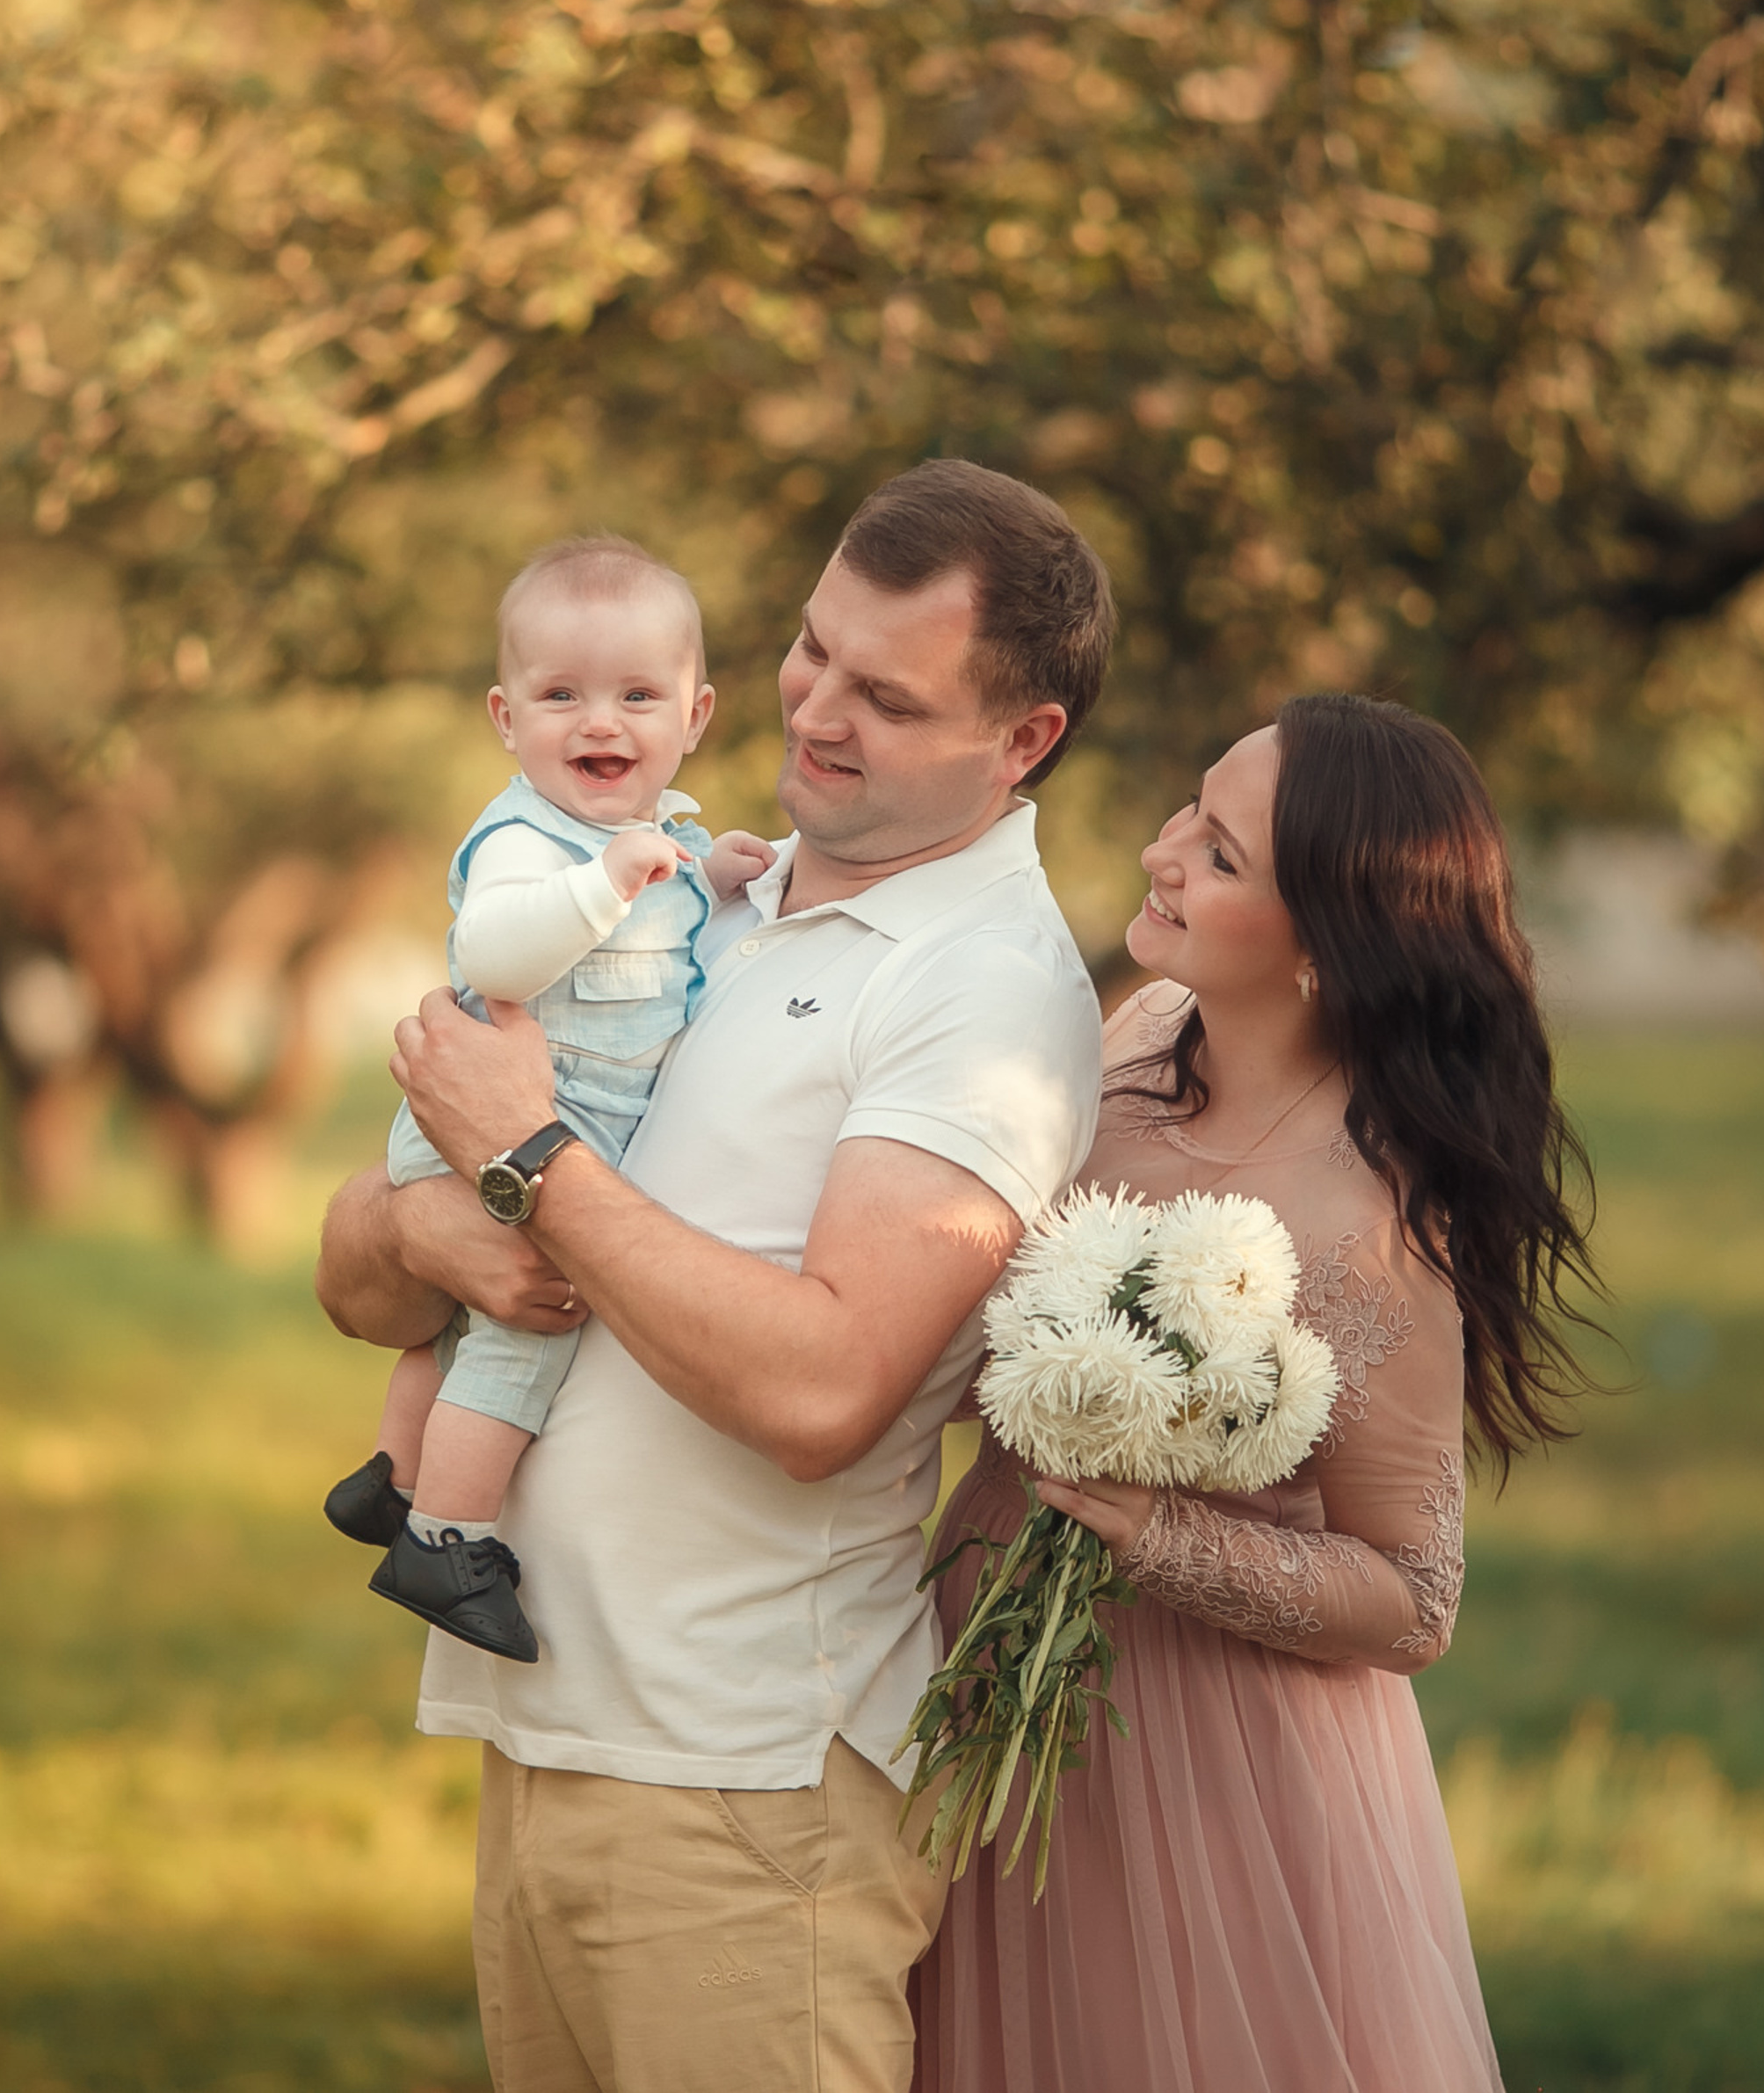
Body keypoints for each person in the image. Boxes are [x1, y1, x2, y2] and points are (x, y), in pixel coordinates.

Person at [315, 459, 1115, 2093]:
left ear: (1020, 740)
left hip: (746, 1792)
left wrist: (534, 1166)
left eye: (884, 696)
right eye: (812, 649)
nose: (815, 709)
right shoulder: (692, 882)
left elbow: (823, 1392)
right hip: (547, 1737)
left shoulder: (985, 995)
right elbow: (358, 1280)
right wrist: (424, 1223)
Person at [913, 694, 1599, 2093]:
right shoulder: (1139, 1030)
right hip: (987, 1646)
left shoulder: (1371, 1227)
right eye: (1192, 808)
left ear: (1322, 948)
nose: (1164, 853)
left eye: (1220, 855)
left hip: (1207, 1763)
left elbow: (1416, 1597)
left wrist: (1151, 1535)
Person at [324, 534, 773, 1662]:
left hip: (525, 1122)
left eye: (636, 695)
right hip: (503, 1118)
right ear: (505, 715)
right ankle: (448, 1537)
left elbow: (659, 916)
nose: (599, 723)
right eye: (560, 694)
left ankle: (394, 1477)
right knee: (524, 1334)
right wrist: (603, 882)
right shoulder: (533, 840)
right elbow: (497, 954)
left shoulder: (651, 831)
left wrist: (703, 875)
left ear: (697, 712)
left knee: (465, 1317)